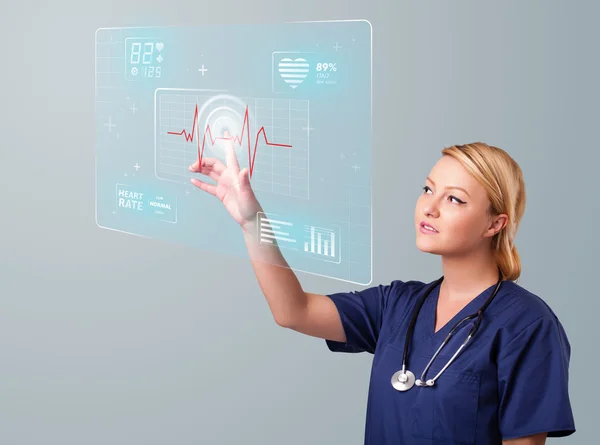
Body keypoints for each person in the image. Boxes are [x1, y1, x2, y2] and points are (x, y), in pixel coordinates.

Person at [188, 133, 576, 445]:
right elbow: (294, 311)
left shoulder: (527, 326)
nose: (430, 207)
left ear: (495, 224)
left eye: (454, 199)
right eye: (428, 189)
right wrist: (250, 219)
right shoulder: (398, 304)